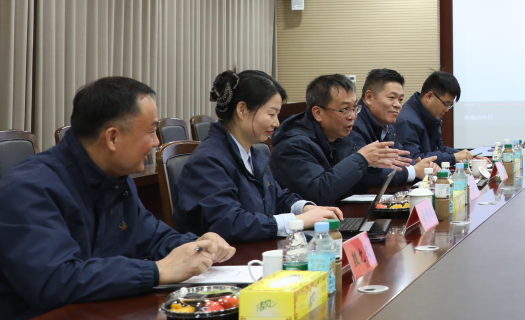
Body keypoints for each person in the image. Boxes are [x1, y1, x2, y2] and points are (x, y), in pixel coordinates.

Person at [0, 77, 235, 320]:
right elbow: (56, 281)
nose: (156, 142)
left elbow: (151, 236)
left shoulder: (116, 179)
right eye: (151, 131)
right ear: (113, 137)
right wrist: (156, 271)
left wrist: (197, 246)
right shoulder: (28, 190)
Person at [175, 70, 343, 243]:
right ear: (242, 110)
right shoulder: (208, 161)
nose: (276, 123)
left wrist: (305, 209)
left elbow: (277, 197)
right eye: (271, 114)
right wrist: (297, 221)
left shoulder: (253, 154)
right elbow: (230, 223)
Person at [270, 74, 410, 205]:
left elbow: (352, 188)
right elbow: (318, 194)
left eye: (354, 108)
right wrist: (361, 159)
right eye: (345, 109)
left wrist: (372, 168)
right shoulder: (293, 145)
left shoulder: (340, 138)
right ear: (318, 113)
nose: (353, 116)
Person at [350, 69, 440, 188]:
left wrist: (423, 165)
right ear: (369, 97)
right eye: (392, 97)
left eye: (400, 99)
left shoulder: (387, 126)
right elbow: (364, 174)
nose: (398, 105)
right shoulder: (353, 125)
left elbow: (401, 159)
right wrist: (413, 171)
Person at [395, 71, 475, 164]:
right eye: (446, 104)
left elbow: (440, 149)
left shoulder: (432, 116)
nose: (447, 110)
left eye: (450, 105)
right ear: (429, 96)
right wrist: (453, 157)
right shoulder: (406, 120)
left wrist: (468, 156)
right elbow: (414, 159)